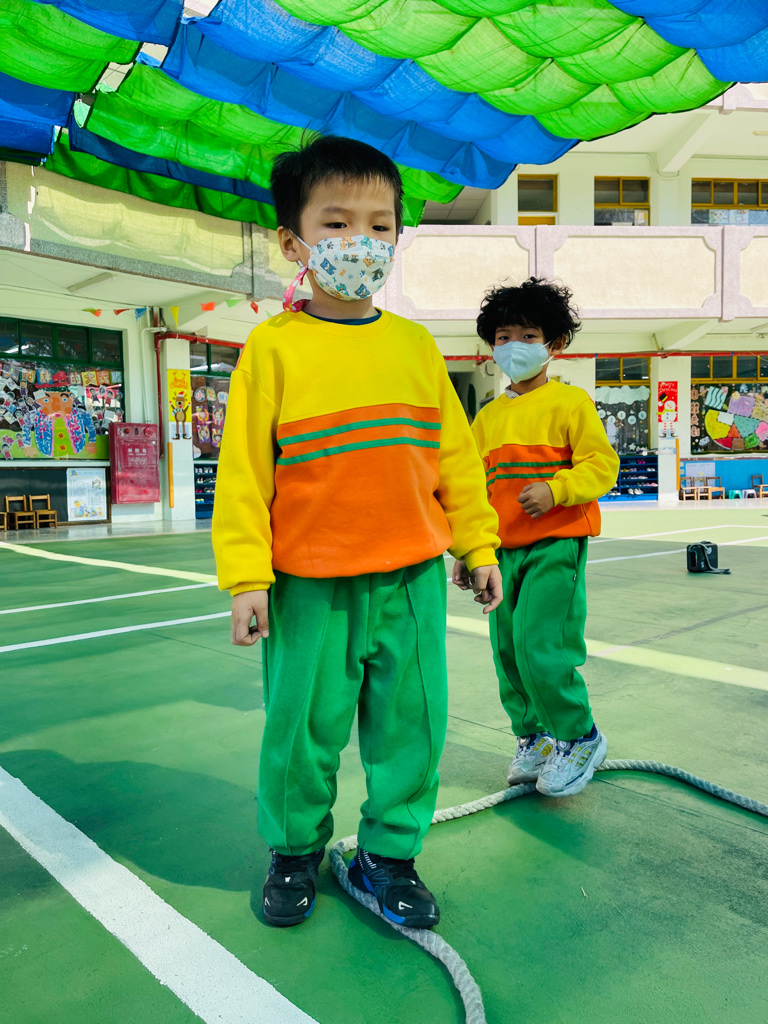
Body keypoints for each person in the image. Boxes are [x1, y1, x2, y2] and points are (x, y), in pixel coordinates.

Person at [212, 135, 501, 930]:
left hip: (410, 580)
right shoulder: (272, 349)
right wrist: (247, 578)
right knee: (301, 730)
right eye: (337, 224)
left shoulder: (415, 347)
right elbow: (245, 475)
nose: (361, 243)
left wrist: (477, 544)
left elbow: (455, 459)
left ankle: (390, 856)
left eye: (380, 226)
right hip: (309, 584)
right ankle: (294, 851)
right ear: (293, 242)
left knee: (413, 726)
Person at [454, 278, 619, 798]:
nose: (514, 346)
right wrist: (469, 547)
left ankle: (580, 736)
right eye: (504, 336)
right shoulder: (487, 418)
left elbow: (602, 465)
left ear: (554, 344)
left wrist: (557, 488)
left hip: (554, 544)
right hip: (501, 554)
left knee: (542, 645)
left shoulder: (571, 403)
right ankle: (534, 738)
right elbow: (472, 489)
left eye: (528, 335)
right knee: (507, 649)